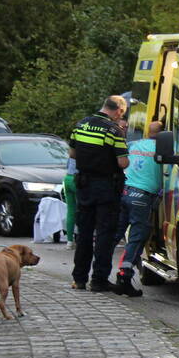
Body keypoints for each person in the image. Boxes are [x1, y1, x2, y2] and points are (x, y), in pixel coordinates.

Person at [69, 95, 129, 291]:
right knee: (105, 234)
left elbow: (72, 154)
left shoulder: (81, 125)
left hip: (84, 185)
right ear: (119, 111)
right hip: (106, 188)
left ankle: (79, 279)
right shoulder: (113, 130)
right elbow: (123, 163)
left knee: (84, 233)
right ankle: (99, 280)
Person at [112, 120, 164, 297]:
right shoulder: (166, 148)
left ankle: (98, 274)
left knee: (116, 233)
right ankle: (124, 277)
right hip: (142, 196)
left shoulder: (135, 144)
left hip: (125, 191)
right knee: (137, 236)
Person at [63, 155, 78, 249]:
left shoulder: (74, 149)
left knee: (70, 211)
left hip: (68, 178)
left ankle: (69, 241)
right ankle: (81, 238)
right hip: (78, 179)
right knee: (83, 210)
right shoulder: (86, 147)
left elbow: (67, 165)